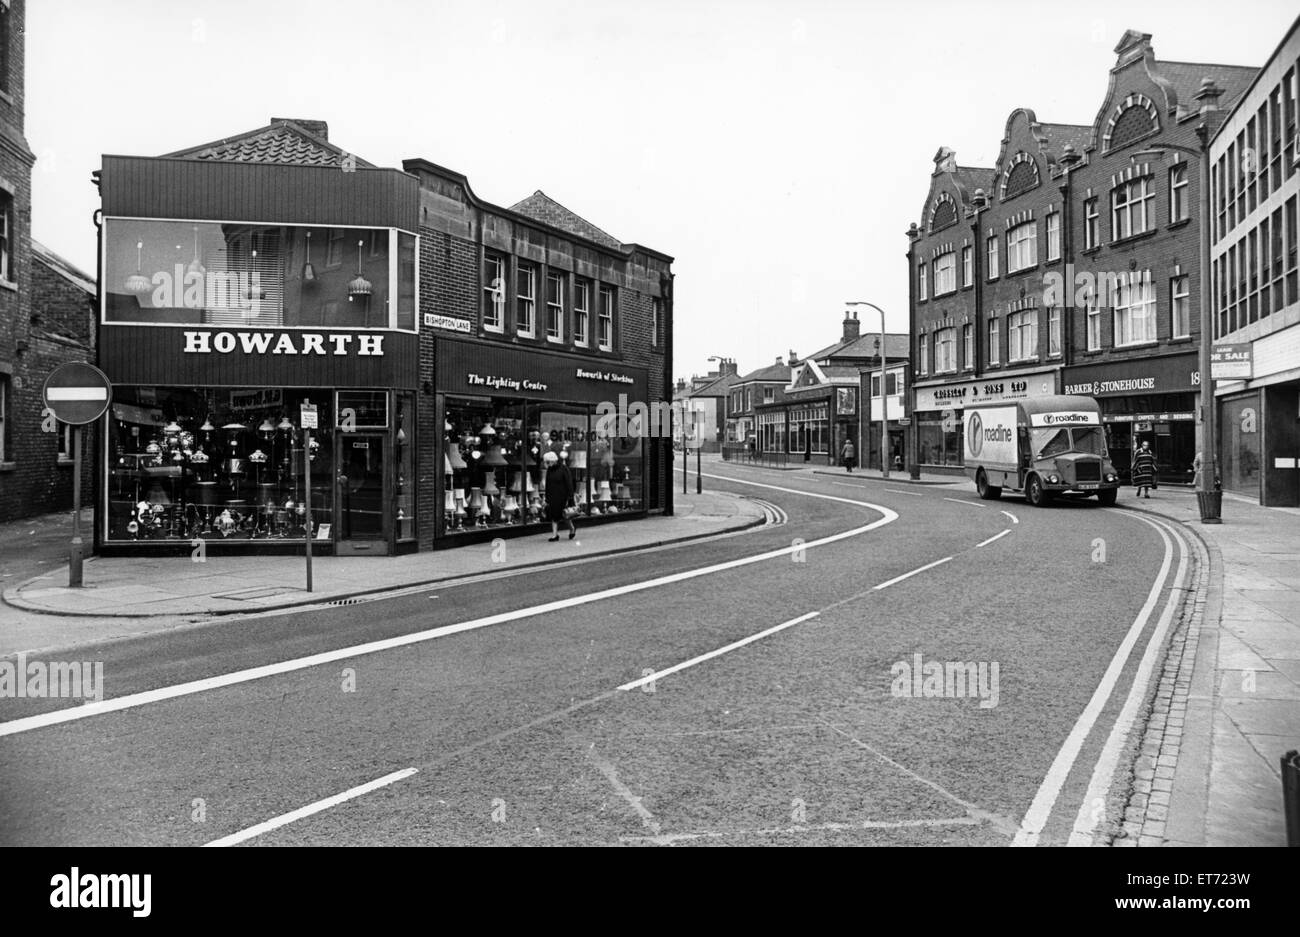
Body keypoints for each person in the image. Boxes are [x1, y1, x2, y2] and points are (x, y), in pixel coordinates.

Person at [542, 450, 576, 541]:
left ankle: (572, 529)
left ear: (553, 460)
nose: (546, 464)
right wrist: (546, 498)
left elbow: (569, 483)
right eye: (546, 462)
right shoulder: (549, 470)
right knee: (554, 516)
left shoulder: (563, 468)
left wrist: (570, 497)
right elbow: (548, 484)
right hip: (553, 496)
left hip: (563, 496)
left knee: (565, 516)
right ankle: (555, 535)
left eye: (547, 462)